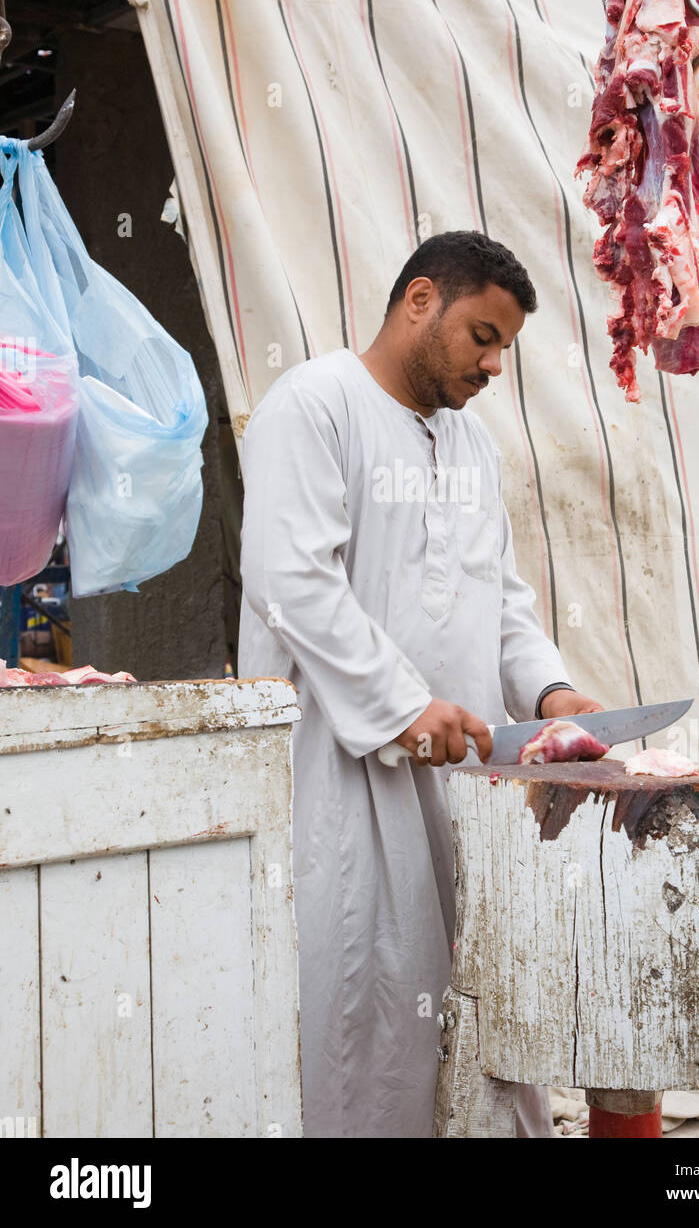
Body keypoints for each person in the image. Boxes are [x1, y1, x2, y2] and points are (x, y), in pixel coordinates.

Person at [239, 230, 603, 1138]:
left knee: (470, 1005)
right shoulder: (314, 405)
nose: (491, 364)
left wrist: (551, 693)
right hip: (336, 781)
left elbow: (500, 598)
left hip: (459, 784)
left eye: (504, 348)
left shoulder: (471, 445)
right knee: (353, 1010)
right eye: (480, 334)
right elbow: (292, 581)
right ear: (417, 301)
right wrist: (403, 709)